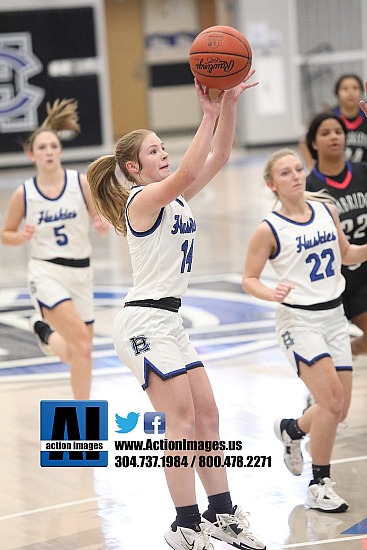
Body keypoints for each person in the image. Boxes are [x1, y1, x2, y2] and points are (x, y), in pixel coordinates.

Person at [87, 72, 266, 550]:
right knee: (181, 421)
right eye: (154, 150)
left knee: (208, 415)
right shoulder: (142, 201)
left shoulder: (175, 197)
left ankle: (221, 514)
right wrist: (205, 115)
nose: (164, 153)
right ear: (134, 167)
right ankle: (183, 523)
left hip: (169, 322)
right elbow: (188, 171)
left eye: (164, 146)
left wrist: (227, 102)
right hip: (144, 322)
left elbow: (220, 156)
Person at [242, 148, 367, 513]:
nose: (296, 176)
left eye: (298, 169)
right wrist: (270, 291)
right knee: (329, 399)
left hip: (333, 316)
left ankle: (293, 430)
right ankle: (319, 484)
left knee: (338, 410)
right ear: (272, 184)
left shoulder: (327, 210)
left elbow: (346, 254)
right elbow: (249, 278)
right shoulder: (268, 229)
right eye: (285, 173)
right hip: (299, 320)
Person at [0, 99, 109, 400]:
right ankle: (83, 428)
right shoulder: (25, 193)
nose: (48, 152)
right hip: (46, 271)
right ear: (30, 154)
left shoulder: (80, 182)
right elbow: (4, 234)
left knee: (79, 354)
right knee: (82, 346)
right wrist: (20, 237)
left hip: (81, 271)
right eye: (42, 148)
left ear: (60, 151)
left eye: (53, 146)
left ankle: (44, 333)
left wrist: (101, 222)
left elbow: (98, 214)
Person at [305, 110, 367, 356]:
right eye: (326, 133)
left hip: (364, 268)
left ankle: (337, 356)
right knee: (327, 344)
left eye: (339, 132)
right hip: (336, 280)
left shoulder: (362, 172)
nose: (334, 137)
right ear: (313, 142)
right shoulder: (309, 188)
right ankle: (326, 366)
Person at [299, 73, 367, 170]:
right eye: (345, 89)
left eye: (355, 88)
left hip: (362, 173)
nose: (350, 93)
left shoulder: (365, 114)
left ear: (361, 92)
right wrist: (311, 168)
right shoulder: (329, 117)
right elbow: (304, 142)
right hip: (335, 173)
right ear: (337, 93)